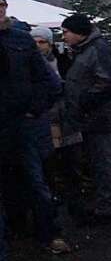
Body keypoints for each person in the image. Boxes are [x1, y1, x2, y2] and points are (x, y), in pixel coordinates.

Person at [0, 0, 69, 257]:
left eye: (1, 6)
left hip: (21, 124)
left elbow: (48, 81)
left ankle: (49, 233)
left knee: (36, 181)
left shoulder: (20, 40)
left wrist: (33, 109)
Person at [60, 14, 111, 223]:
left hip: (98, 117)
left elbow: (107, 82)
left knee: (102, 162)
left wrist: (84, 101)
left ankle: (105, 209)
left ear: (78, 32)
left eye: (66, 31)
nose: (64, 36)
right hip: (84, 117)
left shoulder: (97, 49)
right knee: (92, 163)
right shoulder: (80, 51)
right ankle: (97, 206)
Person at [33, 26, 84, 218]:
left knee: (72, 165)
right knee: (48, 165)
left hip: (67, 120)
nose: (38, 46)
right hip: (46, 120)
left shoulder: (63, 61)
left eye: (42, 42)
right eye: (35, 42)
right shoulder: (30, 66)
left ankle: (75, 206)